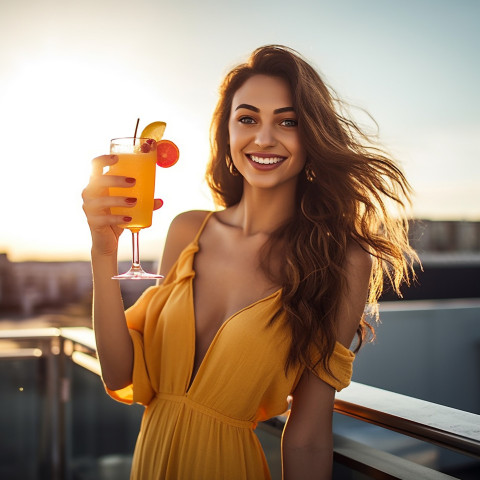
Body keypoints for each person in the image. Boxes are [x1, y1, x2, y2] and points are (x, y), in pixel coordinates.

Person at [82, 45, 417, 480]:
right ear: (226, 134)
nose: (263, 138)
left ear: (311, 135)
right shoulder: (187, 231)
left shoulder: (341, 261)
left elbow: (308, 436)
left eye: (287, 121)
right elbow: (118, 372)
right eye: (248, 118)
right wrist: (101, 253)